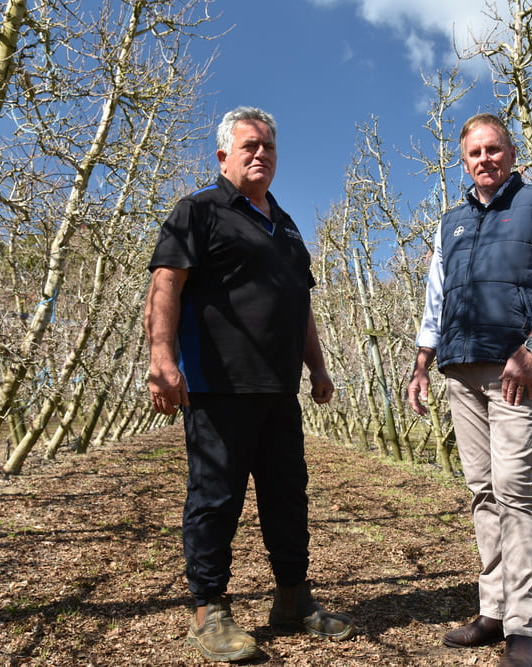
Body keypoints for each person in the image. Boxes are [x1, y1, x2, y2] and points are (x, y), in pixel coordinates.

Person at [145, 106, 355, 662]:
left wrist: (318, 367)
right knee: (216, 499)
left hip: (278, 389)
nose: (260, 153)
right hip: (219, 386)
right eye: (248, 146)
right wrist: (161, 359)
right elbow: (167, 282)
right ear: (223, 156)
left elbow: (300, 304)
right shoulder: (199, 211)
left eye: (268, 147)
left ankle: (292, 599)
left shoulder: (285, 227)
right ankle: (209, 610)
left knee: (288, 497)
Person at [407, 113, 532, 667]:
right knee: (482, 490)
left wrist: (530, 351)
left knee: (513, 489)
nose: (485, 159)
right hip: (460, 370)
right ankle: (492, 610)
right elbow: (436, 301)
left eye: (493, 149)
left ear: (511, 153)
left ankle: (523, 628)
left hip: (515, 370)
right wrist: (420, 365)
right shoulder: (449, 224)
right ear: (464, 162)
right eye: (474, 153)